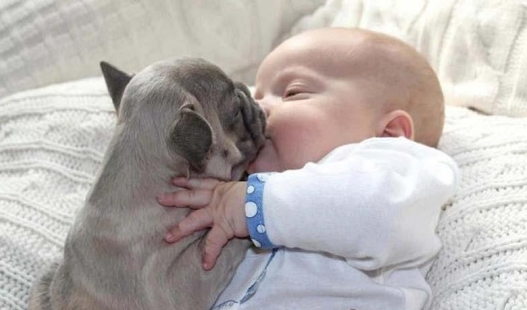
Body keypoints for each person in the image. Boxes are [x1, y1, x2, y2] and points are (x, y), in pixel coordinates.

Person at [157, 28, 459, 310]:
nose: (258, 108)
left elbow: (376, 214)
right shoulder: (244, 191)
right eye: (256, 96)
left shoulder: (397, 169)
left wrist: (248, 202)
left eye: (292, 92)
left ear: (390, 133)